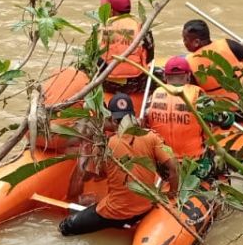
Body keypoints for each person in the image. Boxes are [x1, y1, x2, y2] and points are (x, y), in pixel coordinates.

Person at [59, 92, 180, 236]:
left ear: (112, 120)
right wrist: (172, 193)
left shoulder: (106, 145)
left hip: (115, 212)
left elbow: (87, 177)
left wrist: (87, 146)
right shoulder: (152, 137)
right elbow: (174, 168)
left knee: (65, 227)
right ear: (133, 116)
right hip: (145, 208)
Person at [181, 19, 243, 102]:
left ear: (196, 42)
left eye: (185, 39)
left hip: (227, 110)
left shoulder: (188, 63)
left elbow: (192, 92)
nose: (184, 42)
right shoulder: (227, 44)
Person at [97, 0, 155, 95]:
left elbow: (95, 58)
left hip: (107, 84)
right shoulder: (140, 26)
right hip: (135, 83)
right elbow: (150, 56)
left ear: (111, 11)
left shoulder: (102, 27)